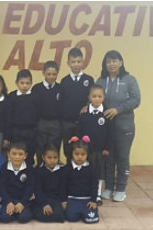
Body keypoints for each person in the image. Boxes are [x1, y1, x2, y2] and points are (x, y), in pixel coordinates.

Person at [97, 50, 140, 202]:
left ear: (121, 62)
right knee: (108, 157)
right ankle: (108, 187)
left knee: (122, 157)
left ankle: (121, 188)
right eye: (108, 61)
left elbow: (136, 100)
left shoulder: (130, 80)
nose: (112, 64)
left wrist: (117, 109)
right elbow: (94, 98)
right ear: (105, 64)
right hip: (107, 128)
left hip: (125, 127)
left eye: (115, 61)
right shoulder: (101, 81)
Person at [78, 84, 113, 206]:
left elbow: (110, 133)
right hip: (87, 150)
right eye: (94, 96)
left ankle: (97, 194)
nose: (97, 99)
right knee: (87, 171)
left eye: (99, 96)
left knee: (99, 173)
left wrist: (107, 148)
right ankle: (87, 192)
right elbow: (80, 130)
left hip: (100, 151)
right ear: (89, 97)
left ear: (103, 98)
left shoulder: (107, 114)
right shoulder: (84, 113)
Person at [60, 48, 94, 162]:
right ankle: (69, 173)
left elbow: (92, 98)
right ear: (68, 63)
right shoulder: (64, 81)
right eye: (73, 62)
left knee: (84, 148)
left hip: (83, 122)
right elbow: (61, 102)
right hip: (67, 123)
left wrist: (88, 105)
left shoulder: (89, 80)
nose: (76, 64)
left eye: (78, 61)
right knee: (68, 149)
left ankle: (84, 174)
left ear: (83, 62)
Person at [61, 136, 99, 224]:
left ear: (87, 154)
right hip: (72, 198)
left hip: (87, 199)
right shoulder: (67, 169)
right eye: (76, 154)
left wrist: (93, 200)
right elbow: (63, 185)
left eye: (83, 154)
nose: (80, 157)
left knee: (91, 219)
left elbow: (94, 185)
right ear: (72, 154)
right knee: (71, 218)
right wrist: (64, 200)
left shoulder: (91, 169)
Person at [32, 61, 62, 166]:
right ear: (43, 73)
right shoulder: (36, 89)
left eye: (54, 74)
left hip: (55, 123)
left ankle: (54, 169)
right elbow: (34, 108)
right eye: (49, 74)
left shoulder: (60, 88)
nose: (51, 77)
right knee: (40, 146)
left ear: (57, 73)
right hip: (41, 122)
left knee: (54, 146)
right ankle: (40, 166)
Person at [8, 69, 39, 166]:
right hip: (16, 132)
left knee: (29, 156)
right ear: (17, 83)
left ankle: (29, 177)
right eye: (22, 83)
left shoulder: (35, 97)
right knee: (17, 156)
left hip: (31, 132)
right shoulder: (11, 97)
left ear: (31, 83)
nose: (25, 86)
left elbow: (38, 113)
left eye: (27, 83)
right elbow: (9, 116)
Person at [0, 142, 35, 223]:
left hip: (23, 200)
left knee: (24, 218)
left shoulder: (29, 169)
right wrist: (8, 202)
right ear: (8, 154)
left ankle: (19, 211)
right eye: (14, 154)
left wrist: (22, 203)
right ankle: (13, 211)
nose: (17, 157)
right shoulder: (4, 168)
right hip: (8, 199)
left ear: (25, 156)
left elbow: (30, 188)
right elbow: (1, 187)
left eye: (20, 154)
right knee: (5, 218)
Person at [33, 144, 65, 223]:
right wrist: (45, 204)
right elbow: (38, 190)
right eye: (49, 158)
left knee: (60, 216)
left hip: (56, 199)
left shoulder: (62, 171)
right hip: (42, 199)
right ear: (43, 157)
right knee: (41, 215)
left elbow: (63, 188)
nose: (52, 160)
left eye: (55, 157)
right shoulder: (39, 171)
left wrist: (63, 201)